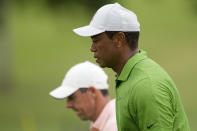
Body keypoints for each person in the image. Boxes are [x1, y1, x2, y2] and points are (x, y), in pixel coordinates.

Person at [73, 3, 190, 131]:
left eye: (96, 40)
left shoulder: (145, 85)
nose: (92, 48)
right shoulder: (129, 77)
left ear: (119, 39)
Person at [49, 61, 117, 131]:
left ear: (92, 92)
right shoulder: (107, 121)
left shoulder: (113, 126)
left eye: (72, 97)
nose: (68, 105)